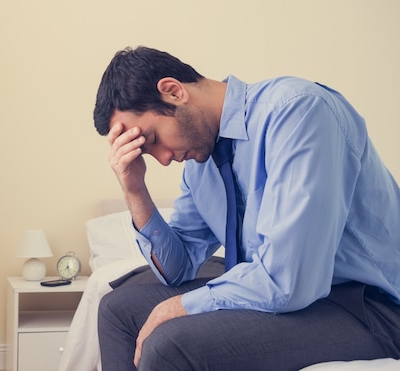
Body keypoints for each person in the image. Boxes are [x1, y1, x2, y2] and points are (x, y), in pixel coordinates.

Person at [93, 46, 400, 371]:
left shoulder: (299, 113)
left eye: (153, 139)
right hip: (289, 293)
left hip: (366, 305)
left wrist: (178, 307)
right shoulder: (200, 163)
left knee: (170, 346)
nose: (163, 159)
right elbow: (179, 269)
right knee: (117, 311)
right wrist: (135, 189)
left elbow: (288, 280)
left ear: (173, 91)